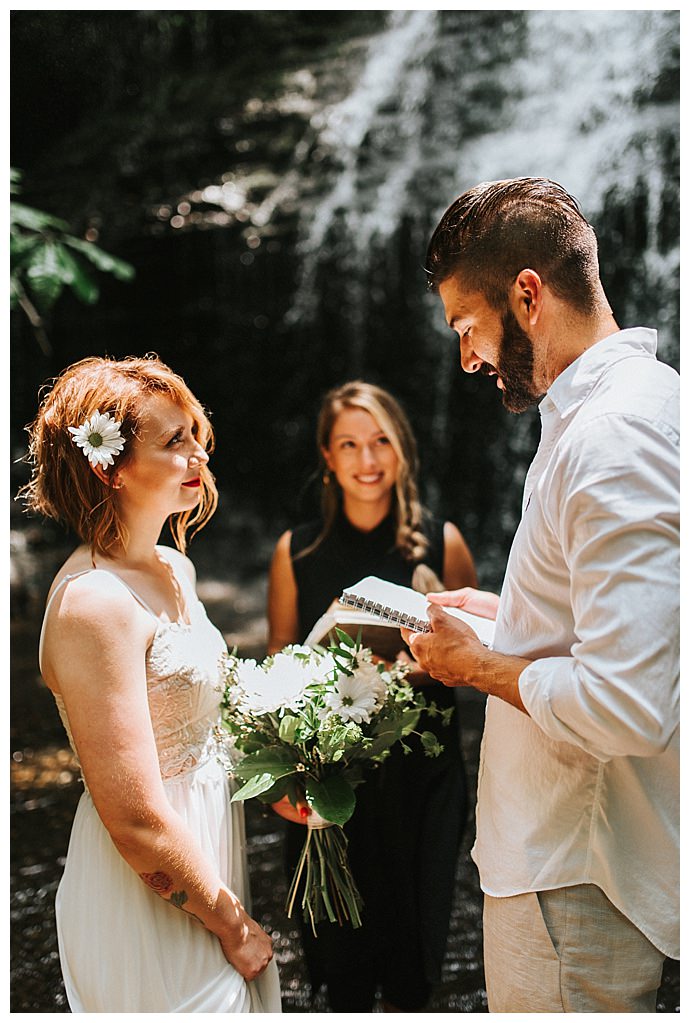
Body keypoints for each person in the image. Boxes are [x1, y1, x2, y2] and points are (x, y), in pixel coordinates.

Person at [402, 177, 679, 1012]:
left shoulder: (612, 435)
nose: (466, 358)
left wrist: (478, 665)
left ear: (527, 294)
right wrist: (507, 618)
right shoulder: (632, 407)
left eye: (467, 327)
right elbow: (620, 627)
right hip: (571, 862)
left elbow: (630, 702)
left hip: (573, 871)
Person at [21, 355, 282, 1013]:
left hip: (208, 852)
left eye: (195, 433)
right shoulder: (93, 604)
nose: (198, 453)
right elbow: (133, 820)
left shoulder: (172, 567)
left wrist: (290, 768)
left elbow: (201, 716)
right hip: (146, 888)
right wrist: (231, 923)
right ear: (107, 466)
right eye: (174, 441)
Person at [267, 380, 478, 1012]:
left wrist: (406, 672)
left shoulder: (444, 544)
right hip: (334, 782)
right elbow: (279, 659)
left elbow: (476, 659)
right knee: (341, 969)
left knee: (415, 967)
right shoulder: (296, 551)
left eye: (381, 441)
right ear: (327, 457)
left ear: (401, 450)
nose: (368, 459)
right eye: (350, 444)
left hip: (423, 780)